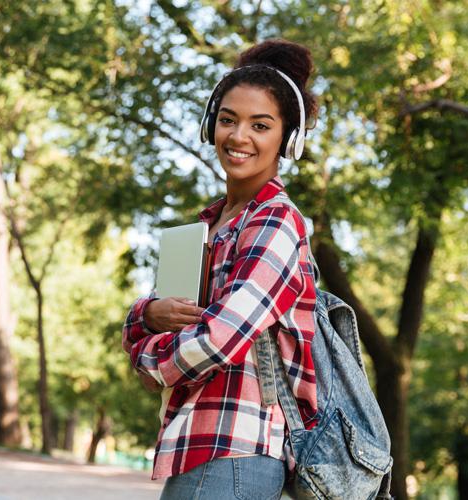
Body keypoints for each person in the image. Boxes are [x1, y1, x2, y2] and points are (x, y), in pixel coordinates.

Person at [122, 39, 319, 499]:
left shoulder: (277, 221)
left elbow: (218, 339)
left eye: (260, 125)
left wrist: (145, 360)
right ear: (212, 126)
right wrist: (147, 316)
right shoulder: (206, 226)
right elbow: (158, 317)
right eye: (228, 120)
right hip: (198, 443)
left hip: (237, 452)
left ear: (288, 139)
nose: (238, 137)